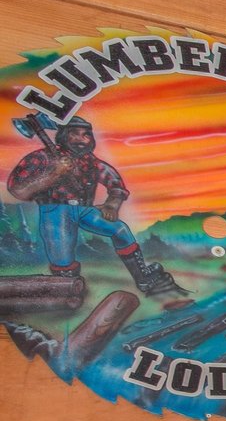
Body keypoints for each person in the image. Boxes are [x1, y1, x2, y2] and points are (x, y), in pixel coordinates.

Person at [5, 116, 187, 299]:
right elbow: (19, 190)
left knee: (120, 229)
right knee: (62, 259)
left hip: (85, 210)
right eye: (74, 134)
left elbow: (115, 183)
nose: (82, 139)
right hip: (55, 212)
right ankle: (67, 295)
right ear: (63, 136)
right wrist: (54, 173)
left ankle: (144, 278)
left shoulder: (90, 161)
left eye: (86, 135)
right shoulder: (42, 158)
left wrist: (112, 204)